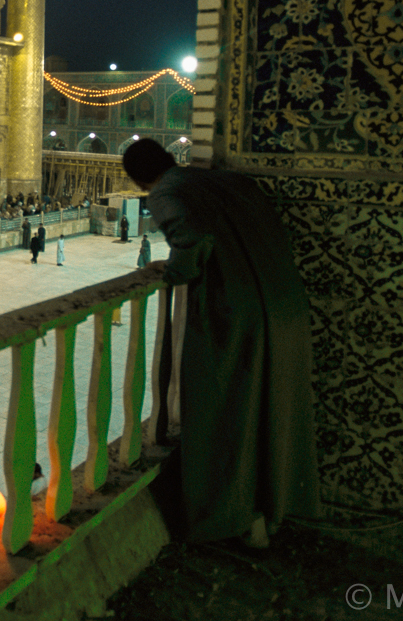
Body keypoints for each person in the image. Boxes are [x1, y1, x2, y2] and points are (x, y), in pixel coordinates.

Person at [121, 137, 320, 548]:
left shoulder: (167, 192)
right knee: (274, 410)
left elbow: (192, 240)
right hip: (285, 308)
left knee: (227, 415)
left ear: (140, 180)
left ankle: (230, 520)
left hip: (240, 317)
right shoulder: (226, 181)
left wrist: (175, 271)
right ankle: (275, 511)